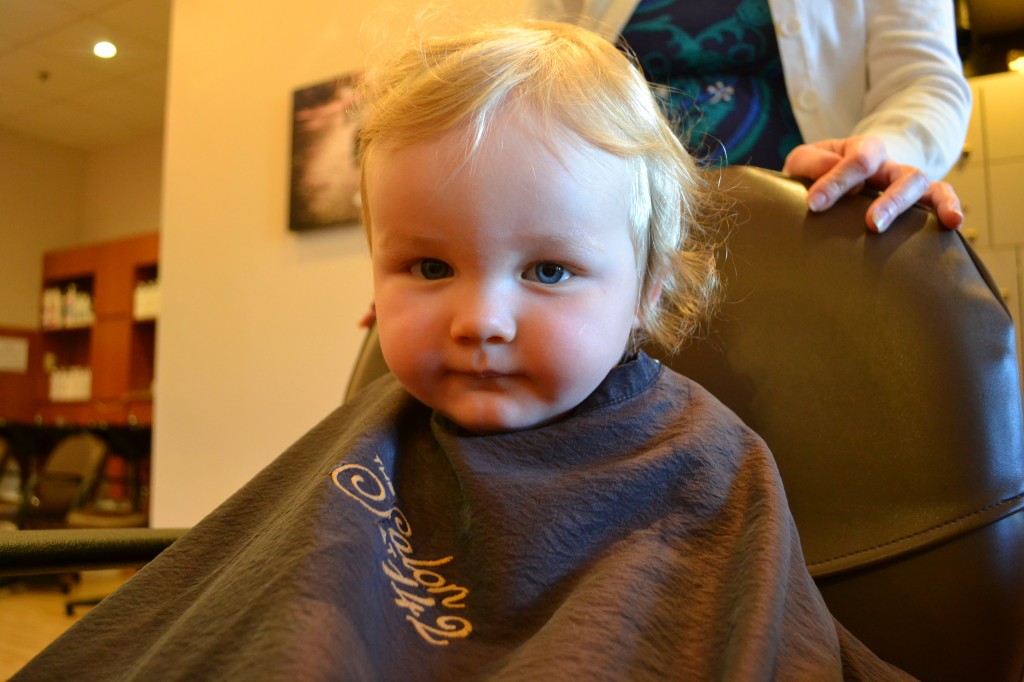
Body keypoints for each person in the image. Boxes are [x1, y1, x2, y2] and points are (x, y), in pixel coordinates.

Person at [15, 20, 913, 681]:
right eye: (430, 265)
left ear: (646, 290)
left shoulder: (706, 466)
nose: (479, 317)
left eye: (551, 270)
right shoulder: (375, 428)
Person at [537, 0, 970, 233]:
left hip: (816, 225)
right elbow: (545, 78)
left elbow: (925, 82)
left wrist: (879, 154)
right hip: (629, 241)